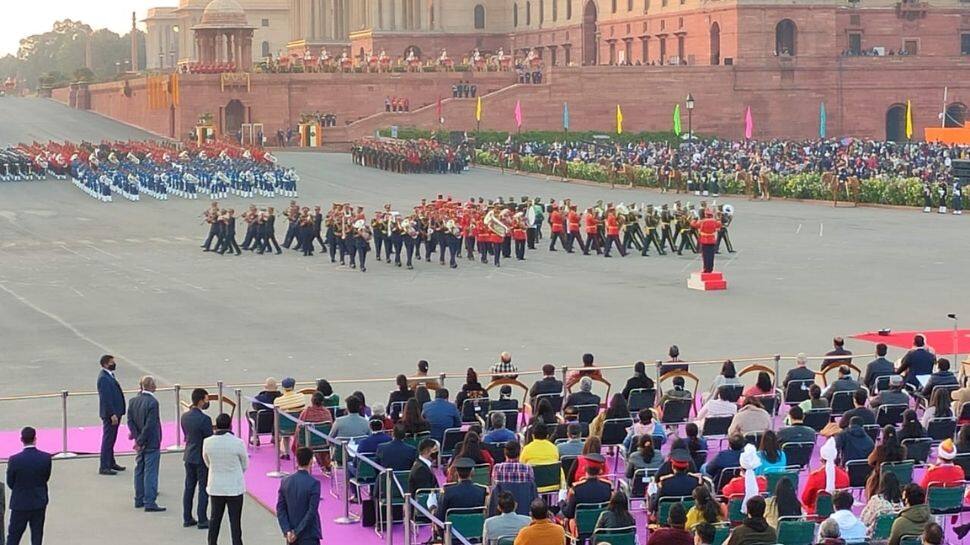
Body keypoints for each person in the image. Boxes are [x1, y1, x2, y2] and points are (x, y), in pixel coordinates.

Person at [203, 413, 248, 545]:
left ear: (216, 426)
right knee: (235, 522)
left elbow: (207, 461)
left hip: (216, 486)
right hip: (234, 487)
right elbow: (244, 464)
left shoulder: (207, 442)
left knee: (214, 519)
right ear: (230, 425)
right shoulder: (238, 443)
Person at [5, 427, 52, 545]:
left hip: (20, 503)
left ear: (21, 440)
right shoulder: (45, 458)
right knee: (37, 535)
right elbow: (45, 477)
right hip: (38, 501)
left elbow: (10, 482)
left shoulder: (14, 460)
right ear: (35, 439)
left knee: (13, 537)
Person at [127, 375, 165, 512]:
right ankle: (150, 501)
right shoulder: (153, 403)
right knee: (151, 472)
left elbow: (130, 421)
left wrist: (137, 439)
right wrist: (141, 440)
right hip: (151, 441)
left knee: (139, 469)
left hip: (140, 441)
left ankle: (139, 498)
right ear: (151, 386)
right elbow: (150, 425)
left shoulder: (133, 401)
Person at [181, 388, 213, 529]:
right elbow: (209, 439)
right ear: (201, 401)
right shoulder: (205, 419)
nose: (207, 402)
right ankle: (202, 518)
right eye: (206, 399)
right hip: (201, 457)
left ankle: (187, 517)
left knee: (189, 487)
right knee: (203, 488)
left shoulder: (185, 416)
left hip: (189, 455)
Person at [276, 447, 322, 545]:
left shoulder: (285, 481)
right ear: (311, 461)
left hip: (291, 535)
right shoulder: (314, 483)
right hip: (309, 535)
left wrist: (287, 530)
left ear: (296, 461)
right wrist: (297, 532)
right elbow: (312, 511)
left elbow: (280, 509)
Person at [562, 454, 612, 535]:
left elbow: (569, 513)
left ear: (585, 469)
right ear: (600, 471)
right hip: (601, 527)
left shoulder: (577, 489)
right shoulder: (607, 487)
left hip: (580, 529)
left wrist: (561, 502)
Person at [97, 354, 126, 476]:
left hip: (116, 412)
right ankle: (104, 466)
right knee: (108, 439)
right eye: (111, 362)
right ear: (105, 364)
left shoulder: (109, 375)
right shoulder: (104, 378)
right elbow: (106, 398)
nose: (113, 364)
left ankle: (111, 462)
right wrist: (112, 414)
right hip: (111, 414)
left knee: (112, 439)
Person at [802, 438, 849, 514]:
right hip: (838, 513)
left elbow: (805, 500)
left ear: (821, 459)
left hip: (816, 515)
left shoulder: (815, 477)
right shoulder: (844, 476)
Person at [273, 377, 306, 459]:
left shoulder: (277, 401)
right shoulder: (301, 397)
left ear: (283, 387)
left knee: (285, 433)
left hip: (284, 428)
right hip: (298, 427)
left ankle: (286, 452)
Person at [691, 208, 721, 273]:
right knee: (711, 256)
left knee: (705, 256)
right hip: (712, 240)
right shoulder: (714, 221)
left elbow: (693, 225)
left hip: (704, 240)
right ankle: (710, 268)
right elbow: (719, 224)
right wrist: (718, 217)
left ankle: (706, 268)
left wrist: (694, 219)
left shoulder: (702, 221)